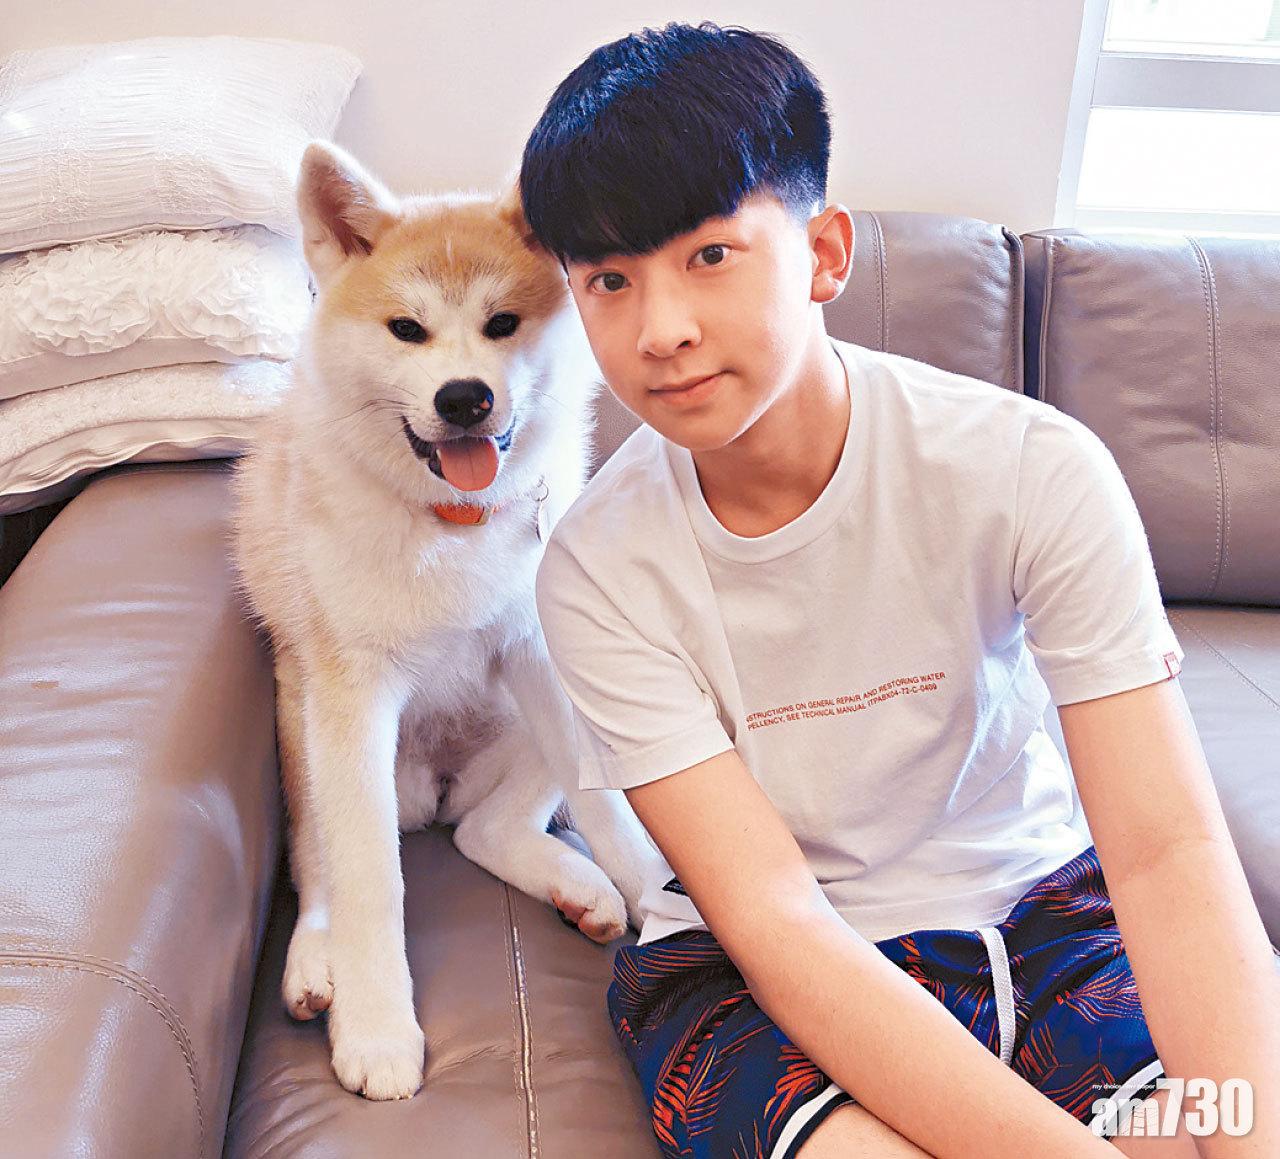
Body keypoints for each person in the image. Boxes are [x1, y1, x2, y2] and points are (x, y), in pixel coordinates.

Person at [519, 21, 1279, 1159]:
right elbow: (776, 917)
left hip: (1047, 920)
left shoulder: (1030, 467)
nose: (661, 330)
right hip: (749, 965)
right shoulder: (593, 569)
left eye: (710, 257)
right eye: (610, 282)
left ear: (824, 253)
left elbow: (1166, 850)